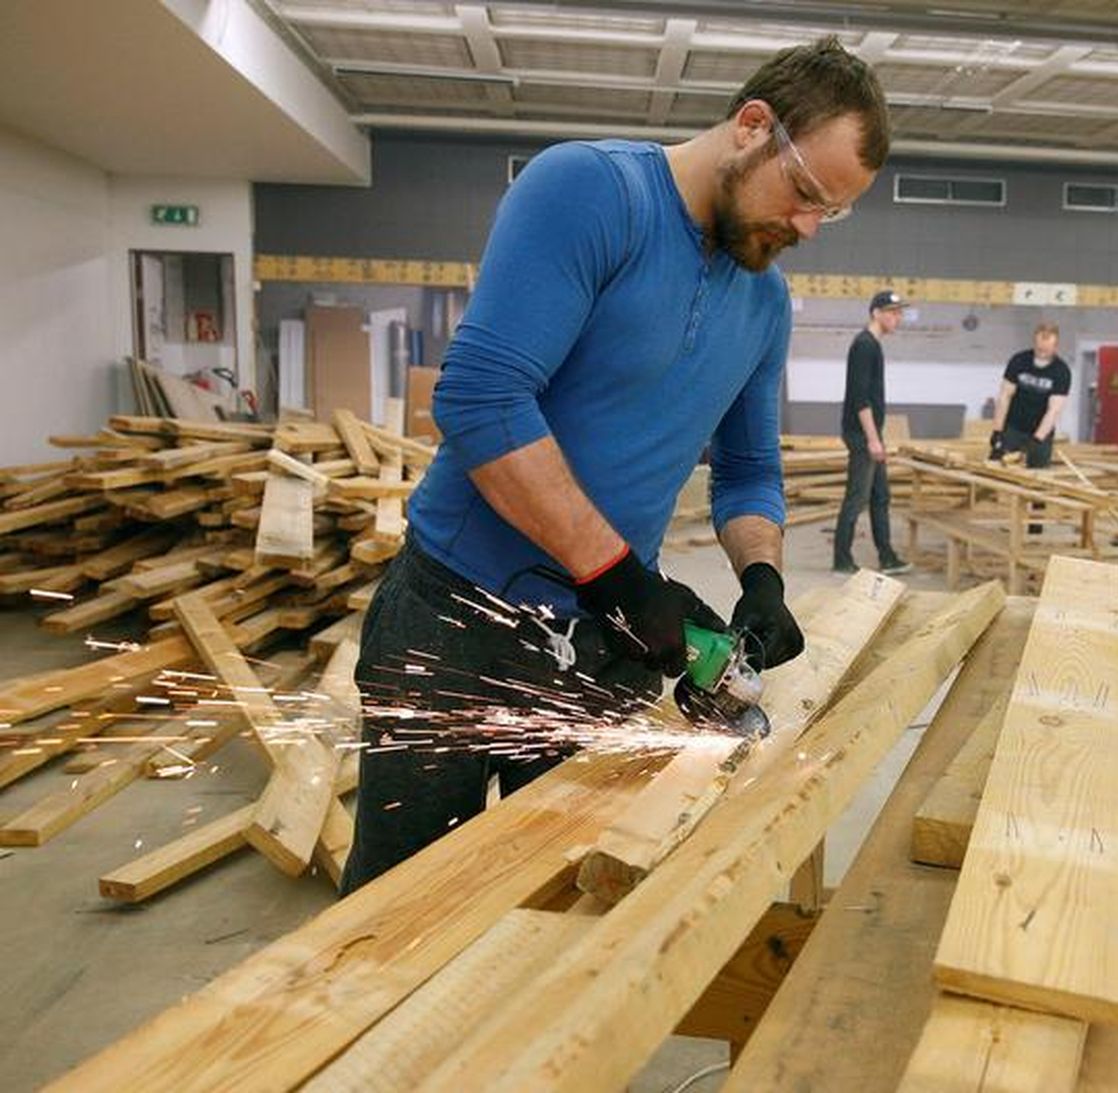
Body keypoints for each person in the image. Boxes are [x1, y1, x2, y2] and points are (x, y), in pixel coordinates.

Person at [339, 37, 891, 894]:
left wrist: (763, 578)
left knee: (559, 900)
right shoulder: (591, 192)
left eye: (835, 213)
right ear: (753, 127)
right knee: (398, 902)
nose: (810, 228)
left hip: (599, 642)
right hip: (454, 621)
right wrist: (622, 578)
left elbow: (747, 469)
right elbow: (482, 401)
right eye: (808, 194)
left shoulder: (766, 300)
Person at [832, 289, 911, 575]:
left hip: (870, 433)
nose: (897, 317)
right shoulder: (864, 345)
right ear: (876, 313)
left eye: (899, 313)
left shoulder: (873, 345)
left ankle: (887, 556)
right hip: (862, 435)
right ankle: (841, 559)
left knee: (881, 496)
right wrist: (873, 439)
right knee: (857, 497)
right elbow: (859, 398)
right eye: (892, 312)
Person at [988, 322, 1071, 467]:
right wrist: (997, 431)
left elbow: (1054, 410)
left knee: (1037, 477)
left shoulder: (1061, 371)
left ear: (1055, 346)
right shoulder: (1019, 361)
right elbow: (1004, 397)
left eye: (1046, 348)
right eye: (1039, 347)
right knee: (997, 468)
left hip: (1040, 431)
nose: (1042, 351)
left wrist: (1037, 440)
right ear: (1035, 341)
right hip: (1013, 428)